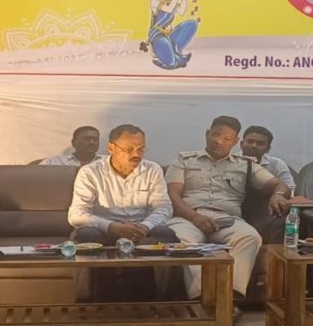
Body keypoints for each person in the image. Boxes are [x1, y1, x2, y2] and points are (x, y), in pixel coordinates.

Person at [165, 116, 291, 309]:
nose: (219, 141)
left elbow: (279, 184)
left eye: (227, 138)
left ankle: (229, 298)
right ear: (207, 134)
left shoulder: (246, 164)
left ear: (235, 141)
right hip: (188, 218)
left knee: (250, 237)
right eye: (215, 135)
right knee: (183, 241)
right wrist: (194, 217)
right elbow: (172, 195)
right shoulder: (184, 160)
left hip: (227, 219)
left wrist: (278, 194)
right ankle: (204, 299)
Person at [67, 124, 178, 300]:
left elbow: (164, 207)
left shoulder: (152, 169)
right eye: (129, 149)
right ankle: (86, 303)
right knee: (86, 236)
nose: (136, 154)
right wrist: (112, 226)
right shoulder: (90, 172)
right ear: (111, 147)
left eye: (141, 149)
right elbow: (77, 214)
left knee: (166, 235)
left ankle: (170, 304)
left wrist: (145, 226)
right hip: (103, 229)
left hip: (141, 229)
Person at [144, 0, 199, 70]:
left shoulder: (172, 0)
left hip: (168, 34)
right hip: (157, 35)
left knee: (192, 24)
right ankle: (168, 55)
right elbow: (169, 9)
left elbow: (181, 12)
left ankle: (175, 50)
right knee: (171, 62)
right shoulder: (155, 1)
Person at [239, 125, 296, 194]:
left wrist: (279, 195)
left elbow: (290, 189)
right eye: (250, 141)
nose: (254, 146)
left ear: (268, 148)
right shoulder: (230, 162)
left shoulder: (277, 164)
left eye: (260, 143)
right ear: (241, 144)